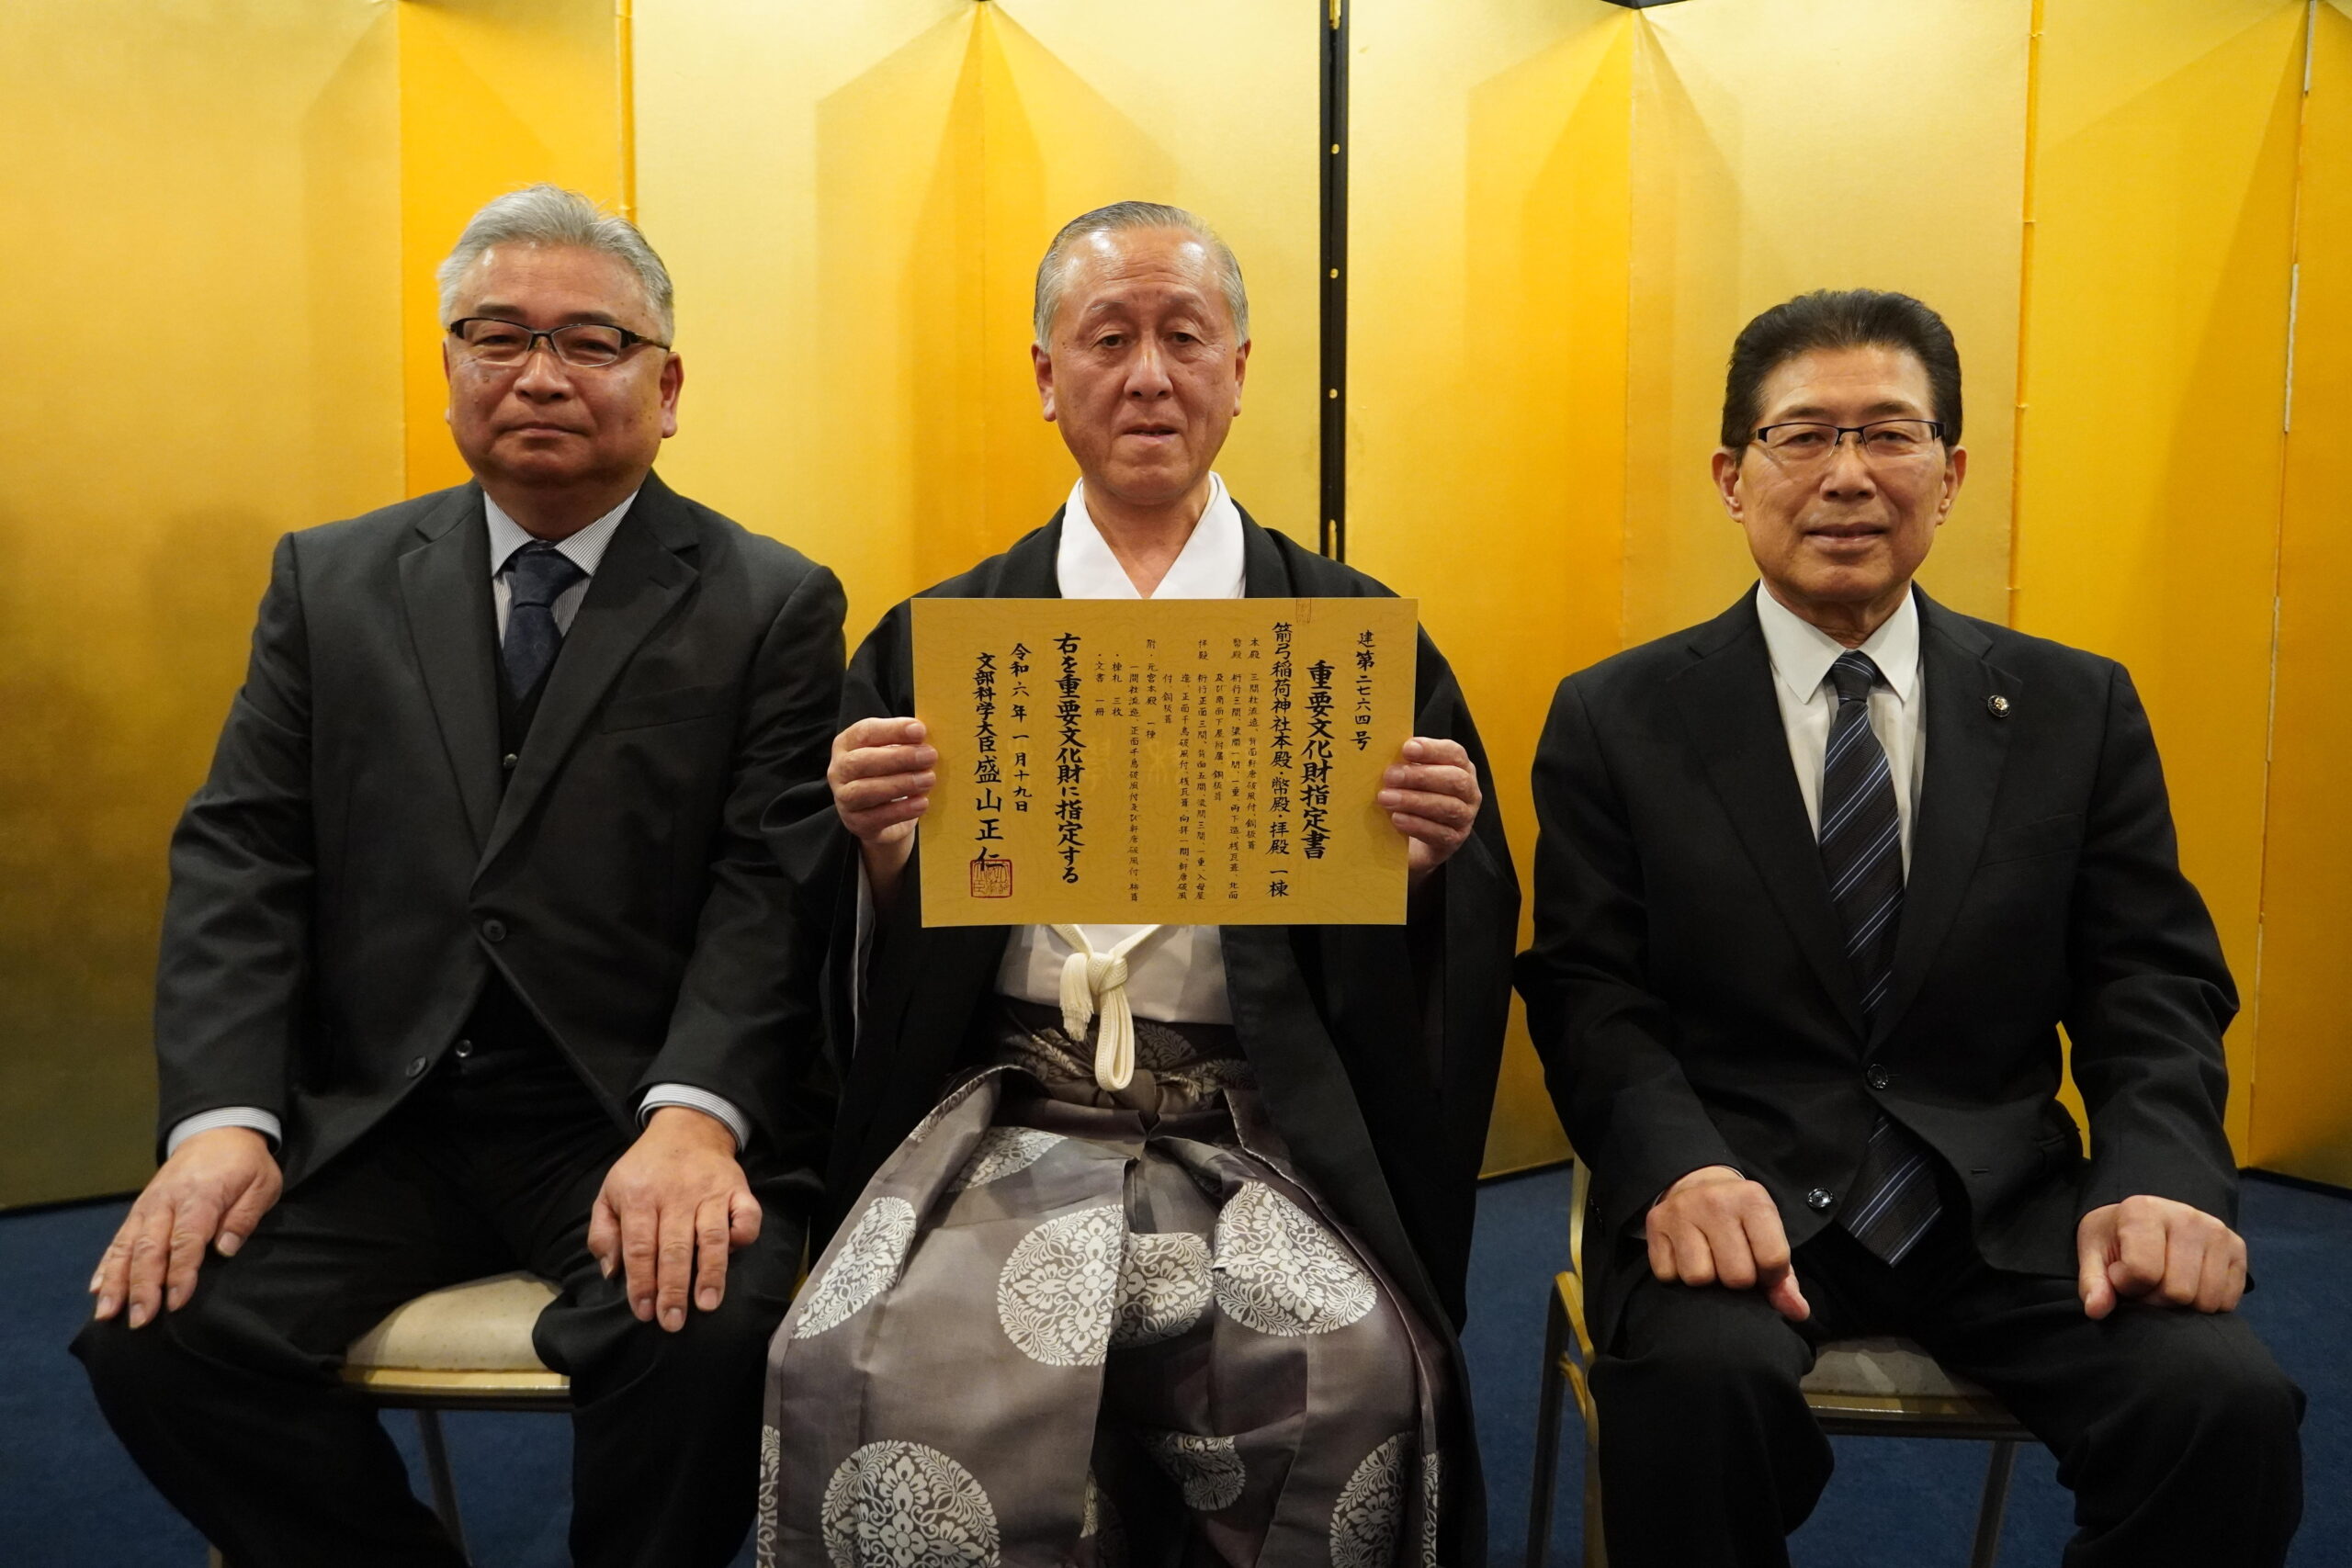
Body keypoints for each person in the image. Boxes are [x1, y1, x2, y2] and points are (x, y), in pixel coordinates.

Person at [74, 185, 847, 1568]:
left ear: (668, 389)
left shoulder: (769, 602)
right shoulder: (330, 582)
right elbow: (244, 855)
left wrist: (695, 1116)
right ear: (450, 369)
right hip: (382, 1113)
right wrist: (222, 1122)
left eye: (593, 341)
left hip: (621, 1110)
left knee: (704, 1332)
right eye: (499, 335)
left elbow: (768, 888)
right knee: (157, 1330)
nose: (541, 373)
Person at [756, 201, 1518, 1565]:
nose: (1150, 376)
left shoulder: (1351, 643)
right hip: (1001, 1114)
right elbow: (840, 950)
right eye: (1108, 339)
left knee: (1348, 1382)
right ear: (1047, 377)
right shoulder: (942, 642)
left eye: (1186, 337)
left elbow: (1442, 962)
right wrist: (878, 856)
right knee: (867, 1365)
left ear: (1241, 369)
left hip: (1261, 1128)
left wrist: (1421, 873)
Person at [1517, 288, 2304, 1568]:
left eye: (1890, 434)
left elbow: (2150, 984)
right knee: (1697, 1395)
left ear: (1950, 474)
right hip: (1738, 1195)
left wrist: (2160, 1175)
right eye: (1801, 436)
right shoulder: (1618, 718)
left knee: (2224, 1408)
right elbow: (1590, 992)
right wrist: (1676, 1169)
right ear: (1732, 477)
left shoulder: (2074, 708)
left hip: (2002, 1205)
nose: (1848, 475)